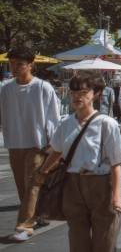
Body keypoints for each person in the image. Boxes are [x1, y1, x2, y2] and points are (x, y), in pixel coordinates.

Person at [35, 73, 121, 252]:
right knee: (77, 238)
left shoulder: (106, 124)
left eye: (84, 92)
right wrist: (42, 172)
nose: (77, 96)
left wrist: (117, 196)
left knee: (105, 239)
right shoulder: (66, 123)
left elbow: (116, 163)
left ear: (96, 94)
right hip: (72, 184)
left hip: (100, 185)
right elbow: (57, 151)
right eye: (74, 92)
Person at [0, 47, 61, 242]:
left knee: (33, 183)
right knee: (22, 185)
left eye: (19, 64)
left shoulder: (43, 87)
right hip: (14, 142)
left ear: (30, 65)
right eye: (12, 64)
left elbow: (53, 116)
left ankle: (24, 225)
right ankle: (38, 214)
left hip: (37, 144)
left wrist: (52, 143)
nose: (15, 67)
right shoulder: (6, 89)